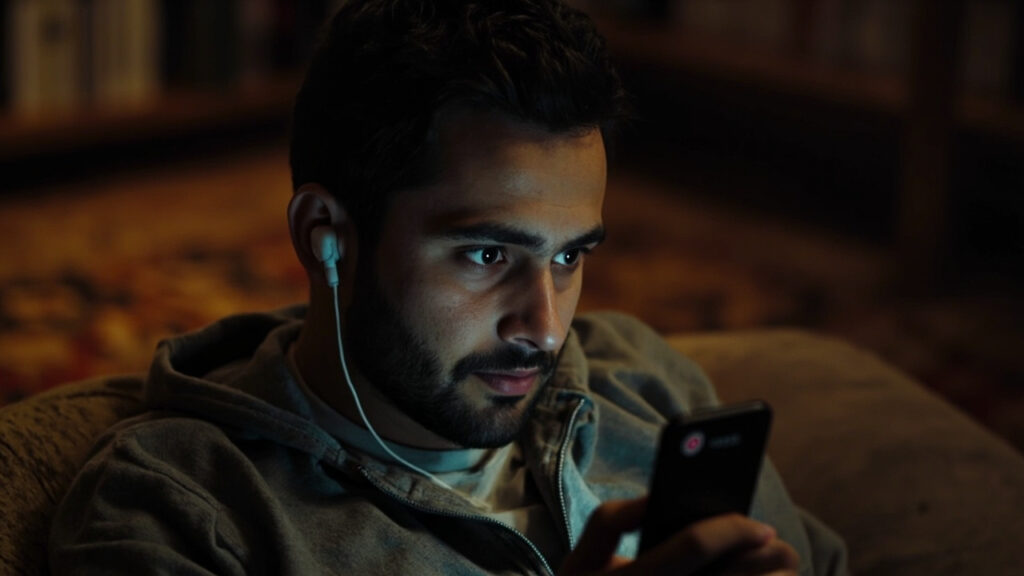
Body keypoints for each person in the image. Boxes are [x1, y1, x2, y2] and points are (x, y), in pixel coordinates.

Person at [49, 0, 848, 574]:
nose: (542, 327)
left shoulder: (643, 381)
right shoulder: (181, 508)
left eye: (570, 258)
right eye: (486, 256)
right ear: (324, 234)